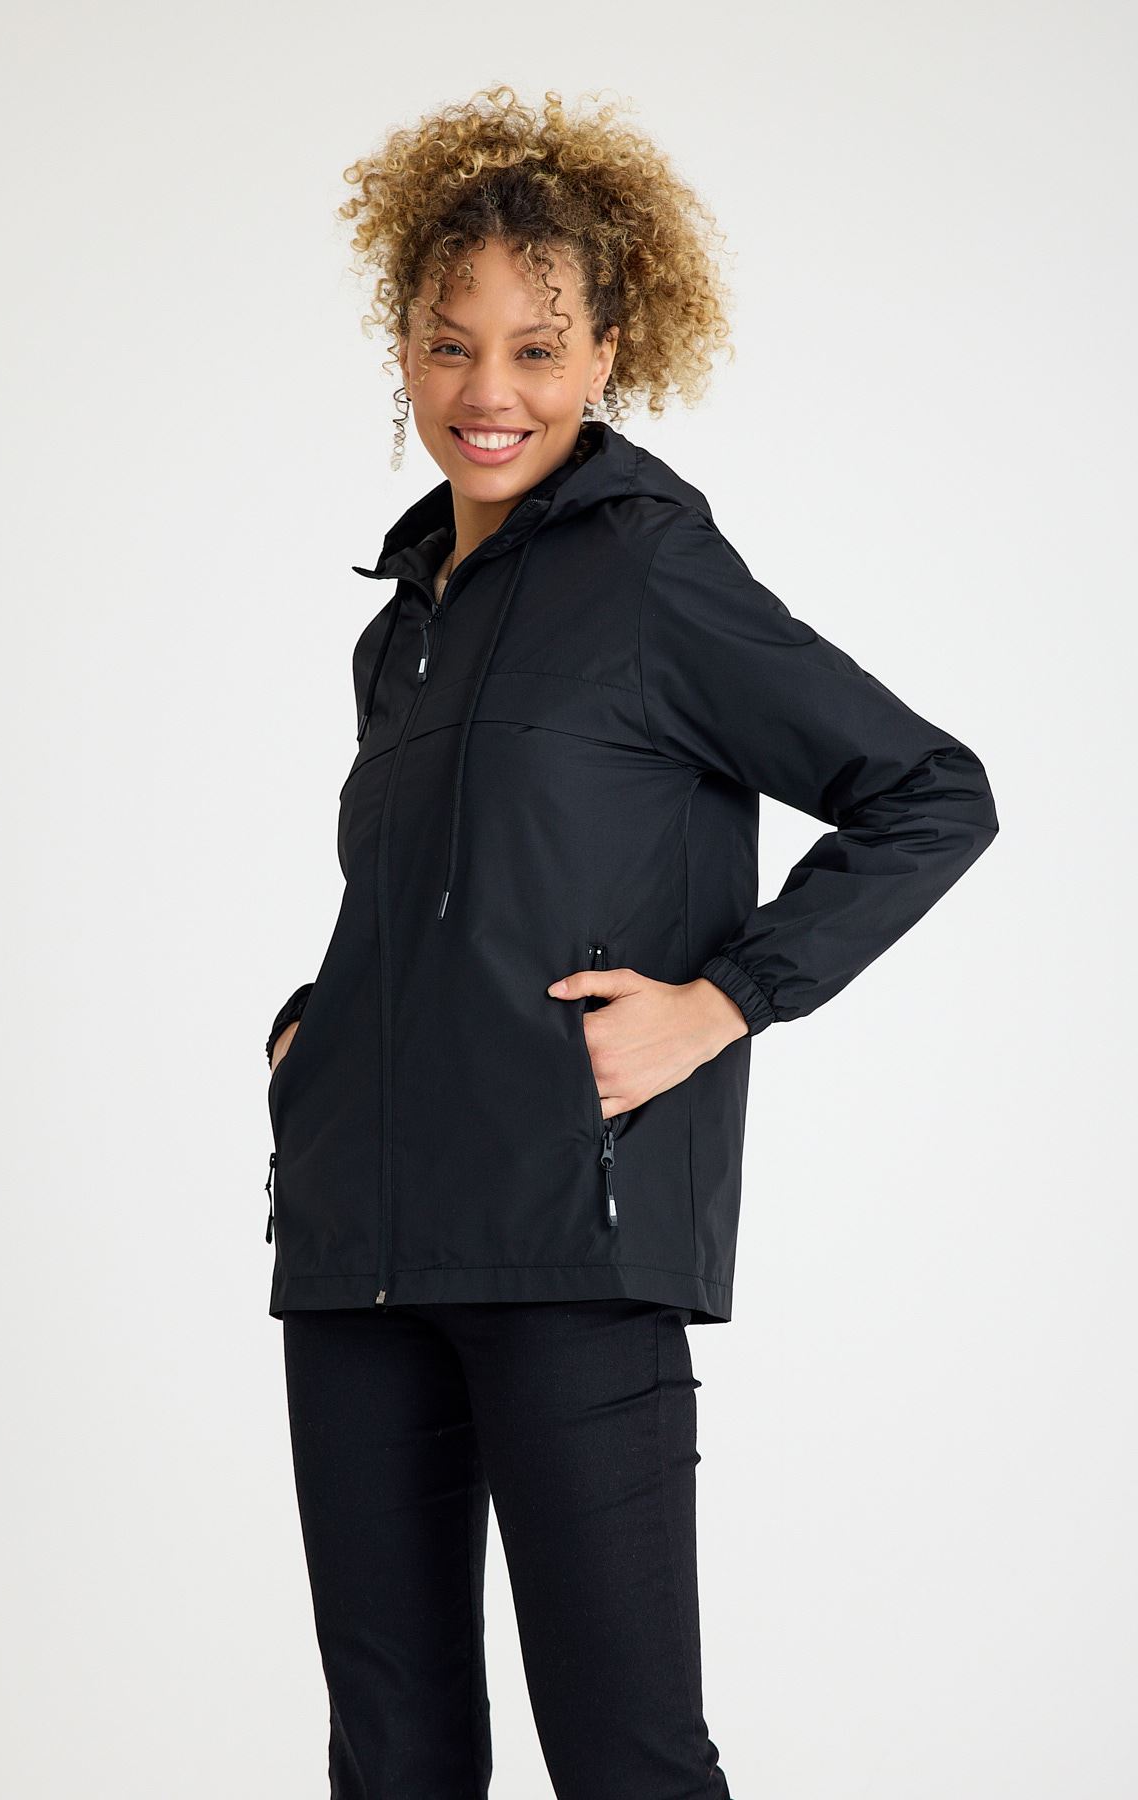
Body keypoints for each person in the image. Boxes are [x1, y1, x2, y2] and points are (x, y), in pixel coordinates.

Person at [261, 87, 999, 1799]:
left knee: (628, 1759)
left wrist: (724, 1001)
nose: (489, 390)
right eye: (449, 345)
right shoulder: (402, 628)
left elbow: (929, 792)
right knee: (391, 1758)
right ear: (403, 348)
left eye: (537, 348)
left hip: (569, 1249)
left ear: (609, 349)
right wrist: (314, 1026)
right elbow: (432, 896)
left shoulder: (655, 575)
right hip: (358, 1254)